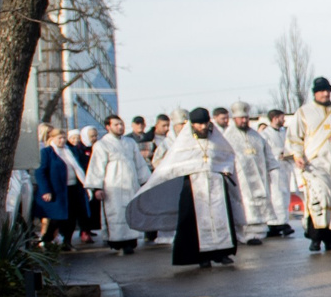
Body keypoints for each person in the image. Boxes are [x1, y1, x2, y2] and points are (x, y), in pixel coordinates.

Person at [127, 106, 245, 267]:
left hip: (216, 186)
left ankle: (222, 253)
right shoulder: (183, 142)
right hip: (194, 188)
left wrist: (224, 170)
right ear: (192, 125)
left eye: (205, 123)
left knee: (221, 219)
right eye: (199, 124)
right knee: (194, 223)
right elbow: (171, 165)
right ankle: (201, 257)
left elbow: (228, 157)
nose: (203, 127)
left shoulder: (217, 140)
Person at [289, 79, 331, 252]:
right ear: (315, 93)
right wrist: (297, 155)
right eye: (322, 91)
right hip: (314, 163)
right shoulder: (304, 112)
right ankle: (316, 239)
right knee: (319, 198)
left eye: (328, 90)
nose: (325, 94)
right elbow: (294, 137)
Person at [85, 112, 149, 253]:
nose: (120, 127)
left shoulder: (130, 142)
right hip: (112, 186)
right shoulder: (102, 144)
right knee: (116, 213)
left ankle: (131, 241)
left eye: (121, 124)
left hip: (130, 184)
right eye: (116, 125)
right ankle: (117, 242)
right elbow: (97, 166)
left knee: (131, 211)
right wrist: (97, 188)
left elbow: (139, 163)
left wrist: (145, 181)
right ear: (108, 127)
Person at [219, 103, 279, 245]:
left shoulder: (256, 136)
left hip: (259, 177)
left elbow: (268, 153)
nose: (244, 121)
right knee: (243, 204)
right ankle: (244, 234)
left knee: (259, 202)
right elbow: (222, 157)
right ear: (234, 119)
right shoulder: (227, 137)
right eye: (241, 118)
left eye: (246, 118)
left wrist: (272, 168)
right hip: (239, 179)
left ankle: (258, 233)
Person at [32, 122, 75, 249]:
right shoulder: (47, 152)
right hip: (56, 190)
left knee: (71, 218)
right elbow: (40, 172)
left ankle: (67, 242)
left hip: (72, 188)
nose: (62, 140)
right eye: (59, 138)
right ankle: (46, 240)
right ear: (52, 139)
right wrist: (45, 190)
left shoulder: (69, 151)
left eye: (64, 138)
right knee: (56, 218)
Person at [260, 108, 297, 237]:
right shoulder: (265, 134)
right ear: (275, 118)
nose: (284, 120)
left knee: (285, 196)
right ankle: (277, 223)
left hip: (285, 167)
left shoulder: (284, 132)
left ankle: (282, 221)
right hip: (274, 169)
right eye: (282, 117)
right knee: (276, 196)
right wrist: (279, 153)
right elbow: (266, 151)